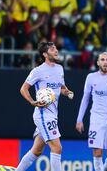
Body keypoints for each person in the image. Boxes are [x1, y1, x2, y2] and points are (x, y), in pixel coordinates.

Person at [16, 42, 74, 171]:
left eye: (56, 48)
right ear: (45, 54)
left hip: (53, 115)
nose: (56, 50)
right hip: (43, 114)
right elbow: (23, 88)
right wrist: (32, 101)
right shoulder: (38, 71)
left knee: (36, 151)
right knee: (57, 148)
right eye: (52, 49)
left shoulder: (60, 69)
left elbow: (61, 87)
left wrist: (67, 92)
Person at [76, 52, 107, 171]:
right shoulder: (91, 77)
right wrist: (79, 119)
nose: (105, 62)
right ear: (98, 62)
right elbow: (85, 98)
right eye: (102, 60)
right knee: (97, 152)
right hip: (96, 118)